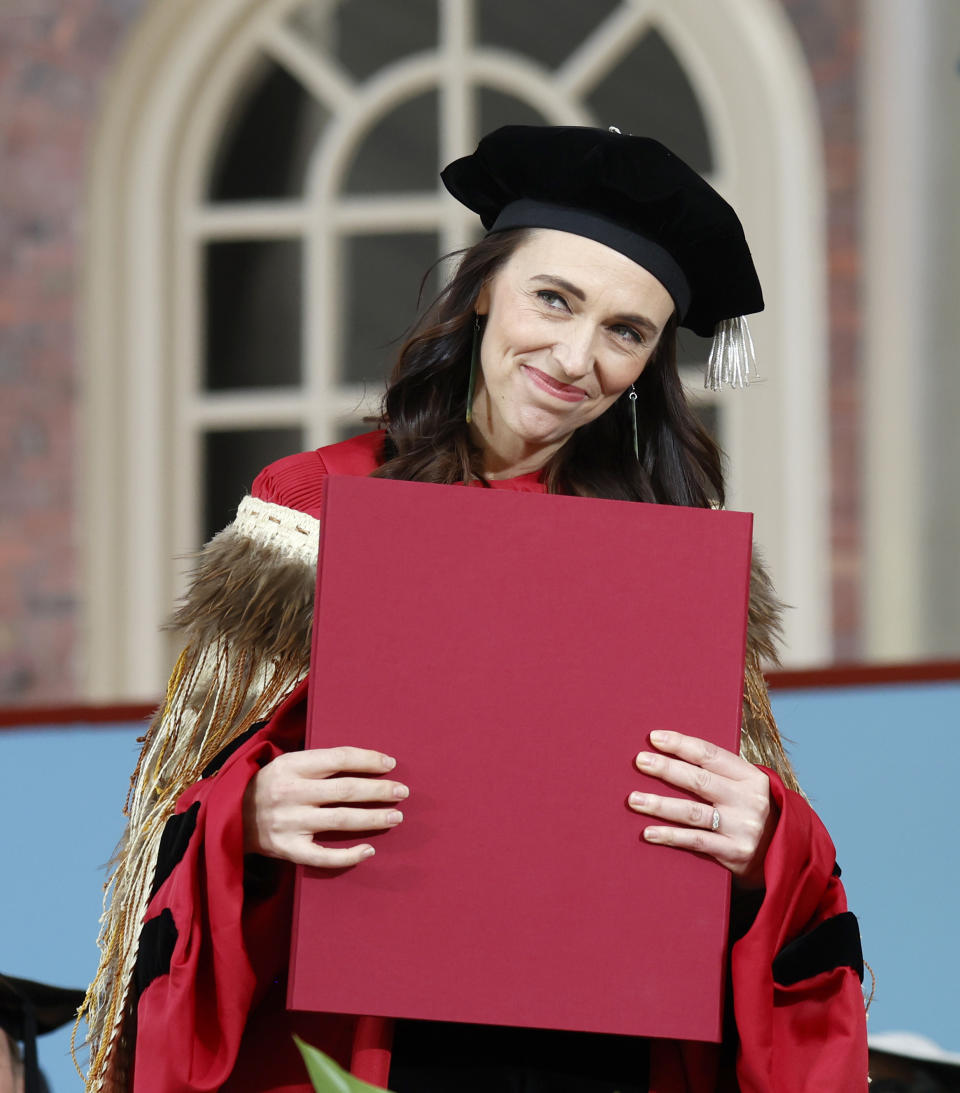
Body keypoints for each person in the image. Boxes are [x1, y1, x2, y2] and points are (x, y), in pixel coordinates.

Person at [78, 126, 869, 1092]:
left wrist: (766, 839)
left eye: (627, 331)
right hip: (369, 1033)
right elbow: (179, 805)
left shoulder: (672, 559)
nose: (577, 357)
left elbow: (732, 832)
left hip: (605, 1045)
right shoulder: (315, 507)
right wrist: (249, 813)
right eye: (554, 298)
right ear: (486, 285)